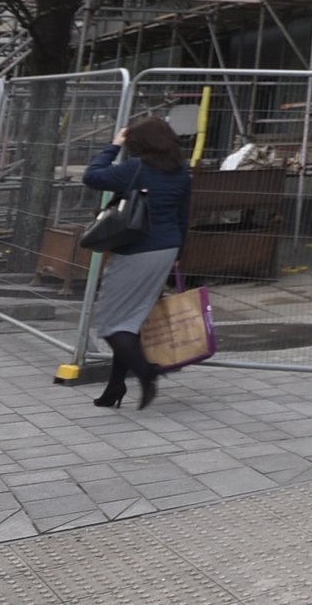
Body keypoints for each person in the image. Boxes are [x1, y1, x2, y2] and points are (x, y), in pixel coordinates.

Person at [79, 115, 193, 410]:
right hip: (166, 248)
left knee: (111, 325)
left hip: (137, 251)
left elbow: (92, 175)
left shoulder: (135, 169)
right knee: (131, 320)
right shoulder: (181, 172)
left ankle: (147, 373)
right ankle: (114, 388)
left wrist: (113, 146)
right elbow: (183, 216)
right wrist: (178, 256)